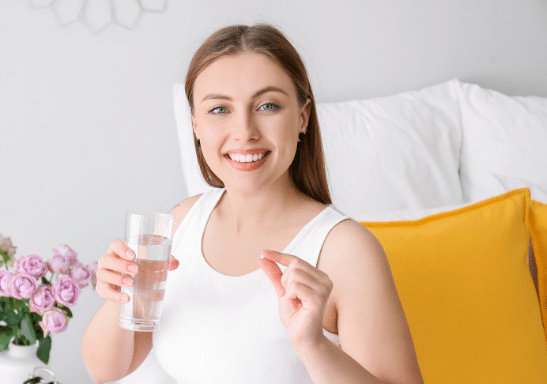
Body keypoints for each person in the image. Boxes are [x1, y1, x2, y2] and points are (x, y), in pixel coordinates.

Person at [81, 24, 424, 384]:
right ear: (195, 125)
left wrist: (313, 345)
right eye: (219, 110)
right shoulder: (181, 222)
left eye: (268, 105)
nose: (244, 131)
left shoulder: (346, 250)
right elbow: (106, 371)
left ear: (303, 118)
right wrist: (121, 296)